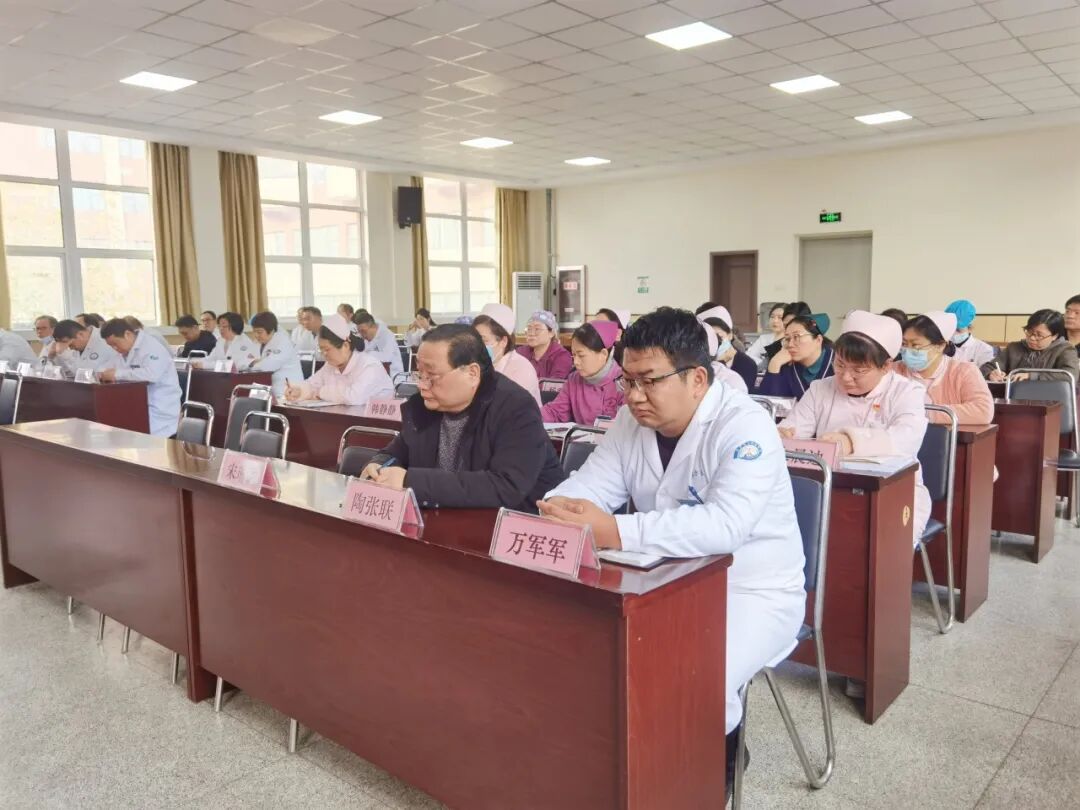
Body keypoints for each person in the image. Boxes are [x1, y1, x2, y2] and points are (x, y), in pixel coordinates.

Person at [538, 307, 805, 799]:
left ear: (697, 378)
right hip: (662, 578)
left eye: (649, 381)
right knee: (586, 651)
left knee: (696, 676)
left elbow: (726, 526)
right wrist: (561, 507)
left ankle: (713, 769)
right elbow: (593, 484)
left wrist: (613, 530)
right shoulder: (630, 420)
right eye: (628, 380)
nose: (634, 395)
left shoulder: (745, 426)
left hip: (751, 590)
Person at [361, 324, 566, 511]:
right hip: (448, 518)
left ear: (472, 373)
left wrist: (411, 481)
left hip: (514, 524)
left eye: (431, 376)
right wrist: (379, 464)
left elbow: (506, 486)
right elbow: (397, 452)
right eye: (419, 374)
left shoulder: (516, 408)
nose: (422, 385)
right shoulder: (425, 405)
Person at [780, 310, 930, 545]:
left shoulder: (907, 392)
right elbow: (794, 427)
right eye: (840, 365)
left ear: (886, 366)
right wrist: (784, 435)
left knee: (880, 547)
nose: (846, 377)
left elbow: (906, 440)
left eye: (859, 370)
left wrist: (851, 442)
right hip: (825, 487)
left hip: (893, 490)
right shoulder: (821, 389)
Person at [896, 312, 994, 424]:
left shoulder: (964, 371)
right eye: (904, 344)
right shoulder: (893, 370)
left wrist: (924, 414)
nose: (908, 350)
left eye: (915, 346)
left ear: (940, 346)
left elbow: (983, 411)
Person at [98, 318, 182, 437]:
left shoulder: (151, 346)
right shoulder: (123, 351)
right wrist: (102, 373)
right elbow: (106, 367)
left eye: (115, 344)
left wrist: (117, 374)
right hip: (136, 404)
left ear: (127, 334)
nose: (114, 348)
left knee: (152, 442)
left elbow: (152, 375)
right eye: (111, 346)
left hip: (159, 408)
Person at [284, 314, 392, 407]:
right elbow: (312, 384)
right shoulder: (330, 365)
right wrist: (299, 391)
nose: (324, 354)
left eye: (327, 349)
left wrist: (321, 392)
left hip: (377, 422)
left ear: (345, 346)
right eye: (321, 350)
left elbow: (354, 397)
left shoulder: (369, 365)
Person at [540, 319, 623, 425]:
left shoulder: (624, 382)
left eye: (581, 355)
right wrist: (530, 415)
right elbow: (555, 412)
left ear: (603, 354)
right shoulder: (574, 379)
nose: (576, 362)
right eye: (574, 355)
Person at [982, 309, 1079, 384]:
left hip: (1050, 400)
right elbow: (987, 367)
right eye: (1029, 332)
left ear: (1055, 336)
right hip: (1012, 397)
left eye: (1039, 335)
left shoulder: (1065, 350)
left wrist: (1031, 376)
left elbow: (1070, 376)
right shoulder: (1014, 348)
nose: (1032, 338)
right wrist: (991, 374)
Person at [473, 303, 541, 405]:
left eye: (484, 340)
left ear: (503, 341)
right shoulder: (477, 365)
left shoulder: (521, 369)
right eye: (475, 339)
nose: (477, 345)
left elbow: (508, 408)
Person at [758, 314, 834, 400]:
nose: (790, 344)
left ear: (818, 340)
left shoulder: (837, 363)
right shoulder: (785, 364)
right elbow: (768, 403)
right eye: (787, 338)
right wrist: (774, 364)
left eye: (796, 337)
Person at [698, 305, 757, 391]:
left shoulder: (747, 364)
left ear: (730, 335)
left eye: (719, 337)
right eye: (709, 338)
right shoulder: (699, 360)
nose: (715, 342)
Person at [249, 311, 304, 398]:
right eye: (254, 331)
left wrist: (253, 363)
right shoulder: (260, 342)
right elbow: (246, 360)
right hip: (268, 387)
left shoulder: (283, 342)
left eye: (259, 332)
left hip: (286, 391)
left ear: (271, 330)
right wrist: (254, 363)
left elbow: (268, 366)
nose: (256, 335)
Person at [47, 319, 121, 375]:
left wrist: (65, 355)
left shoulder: (104, 339)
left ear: (80, 334)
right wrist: (52, 356)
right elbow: (65, 373)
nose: (70, 348)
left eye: (70, 344)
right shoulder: (76, 344)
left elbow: (87, 375)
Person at [517, 310, 573, 380]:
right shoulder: (521, 352)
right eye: (529, 329)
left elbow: (554, 383)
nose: (531, 333)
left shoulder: (561, 356)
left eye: (537, 329)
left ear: (551, 333)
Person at [945, 300, 996, 366]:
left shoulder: (984, 349)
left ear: (969, 327)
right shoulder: (941, 346)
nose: (953, 333)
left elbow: (986, 370)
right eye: (951, 329)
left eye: (958, 330)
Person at [353, 311, 404, 377]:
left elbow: (387, 357)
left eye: (363, 331)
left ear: (373, 326)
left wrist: (366, 354)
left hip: (393, 376)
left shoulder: (387, 335)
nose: (362, 335)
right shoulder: (365, 338)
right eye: (359, 332)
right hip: (373, 374)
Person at [745, 303, 786, 370]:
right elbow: (748, 356)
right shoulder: (763, 339)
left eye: (780, 317)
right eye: (772, 317)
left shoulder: (790, 340)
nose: (775, 321)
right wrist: (763, 363)